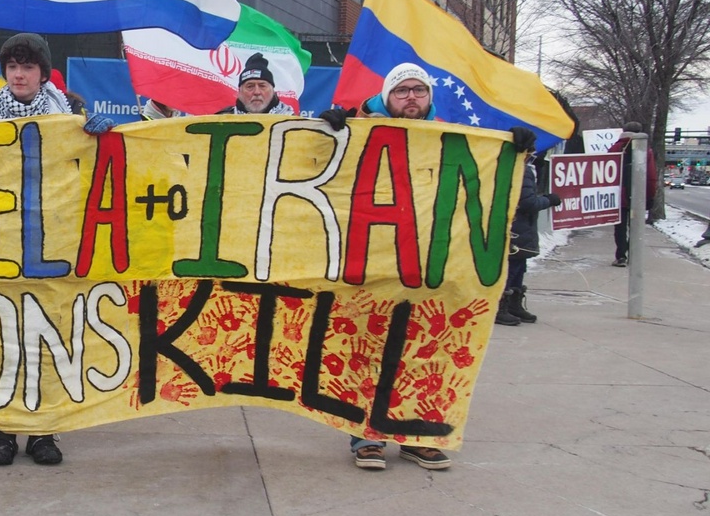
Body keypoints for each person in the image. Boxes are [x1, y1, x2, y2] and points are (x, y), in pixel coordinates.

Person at [320, 62, 539, 472]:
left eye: (419, 90)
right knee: (366, 348)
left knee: (425, 349)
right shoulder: (355, 126)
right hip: (370, 260)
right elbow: (313, 158)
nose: (411, 98)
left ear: (429, 97)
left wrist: (515, 148)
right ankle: (366, 435)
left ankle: (418, 436)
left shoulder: (449, 137)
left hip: (427, 262)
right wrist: (326, 125)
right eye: (401, 91)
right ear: (387, 97)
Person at [0, 32, 107, 466]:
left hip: (55, 240)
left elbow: (93, 163)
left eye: (28, 67)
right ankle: (3, 430)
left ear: (43, 72)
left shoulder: (71, 110)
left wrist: (104, 138)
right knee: (3, 337)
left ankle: (43, 432)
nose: (19, 75)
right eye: (13, 67)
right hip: (1, 240)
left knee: (50, 335)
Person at [499, 154, 563, 325]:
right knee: (513, 266)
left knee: (518, 265)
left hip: (513, 225)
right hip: (519, 226)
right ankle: (502, 306)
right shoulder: (522, 170)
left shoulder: (506, 164)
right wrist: (549, 200)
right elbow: (528, 203)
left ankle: (512, 304)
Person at [607, 121, 657, 267]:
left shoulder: (614, 148)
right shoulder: (645, 151)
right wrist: (650, 196)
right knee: (636, 226)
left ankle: (621, 256)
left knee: (620, 227)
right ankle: (634, 255)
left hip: (618, 196)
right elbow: (651, 176)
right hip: (638, 196)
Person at [217, 53, 291, 115]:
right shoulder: (221, 121)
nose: (257, 92)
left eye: (262, 86)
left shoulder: (292, 122)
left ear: (273, 91)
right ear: (239, 93)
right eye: (250, 86)